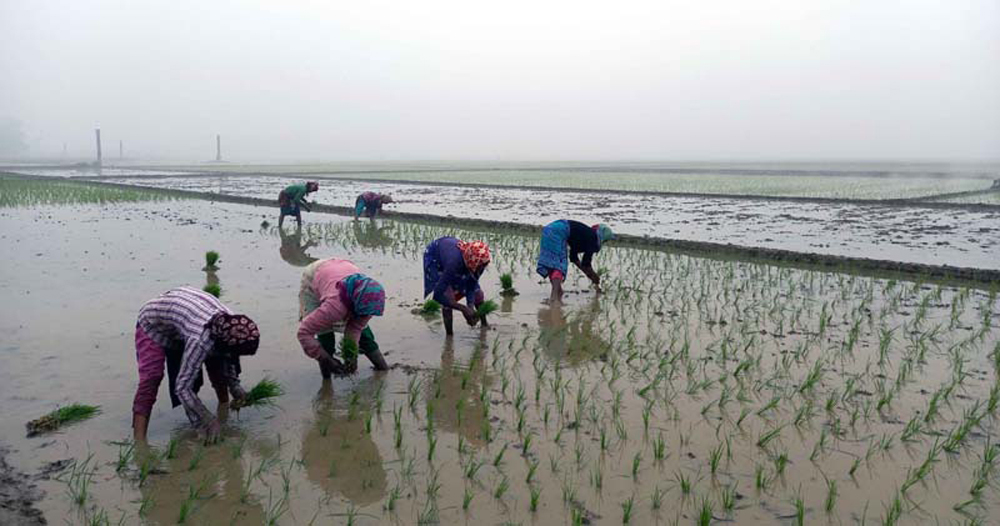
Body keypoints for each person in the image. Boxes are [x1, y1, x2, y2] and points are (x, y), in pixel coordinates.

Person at [132, 286, 260, 443]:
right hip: (153, 322)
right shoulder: (200, 340)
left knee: (218, 368)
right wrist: (207, 420)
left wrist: (236, 388)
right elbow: (182, 387)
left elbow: (228, 357)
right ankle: (139, 443)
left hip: (186, 317)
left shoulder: (233, 325)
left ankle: (223, 415)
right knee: (152, 376)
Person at [298, 258, 390, 378]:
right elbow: (304, 333)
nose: (364, 317)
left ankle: (383, 369)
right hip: (314, 275)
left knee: (364, 334)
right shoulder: (334, 307)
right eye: (363, 314)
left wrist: (351, 355)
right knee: (325, 336)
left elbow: (355, 329)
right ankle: (326, 379)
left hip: (342, 269)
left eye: (366, 314)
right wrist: (325, 357)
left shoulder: (368, 299)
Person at [423, 237, 491, 335]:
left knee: (478, 294)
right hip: (436, 257)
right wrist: (462, 308)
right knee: (447, 296)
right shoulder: (454, 263)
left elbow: (471, 284)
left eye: (483, 266)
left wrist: (470, 306)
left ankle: (484, 325)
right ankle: (449, 336)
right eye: (480, 266)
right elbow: (438, 295)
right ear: (472, 262)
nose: (482, 269)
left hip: (456, 255)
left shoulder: (479, 261)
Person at [536, 220, 614, 303]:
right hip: (559, 232)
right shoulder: (593, 238)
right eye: (606, 241)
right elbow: (586, 263)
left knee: (552, 263)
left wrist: (589, 274)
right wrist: (593, 276)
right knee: (559, 265)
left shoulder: (585, 235)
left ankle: (558, 291)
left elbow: (573, 257)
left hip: (549, 229)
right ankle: (554, 297)